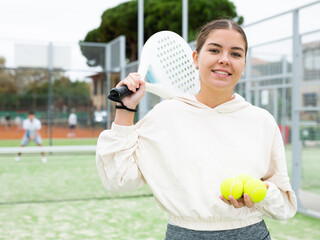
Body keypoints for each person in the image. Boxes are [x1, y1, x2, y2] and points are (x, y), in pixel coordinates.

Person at [96, 19, 297, 239]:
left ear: (244, 65)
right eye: (214, 50)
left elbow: (284, 207)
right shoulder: (164, 116)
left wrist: (261, 195)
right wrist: (125, 108)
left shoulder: (262, 121)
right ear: (195, 58)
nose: (224, 60)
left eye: (236, 54)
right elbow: (119, 180)